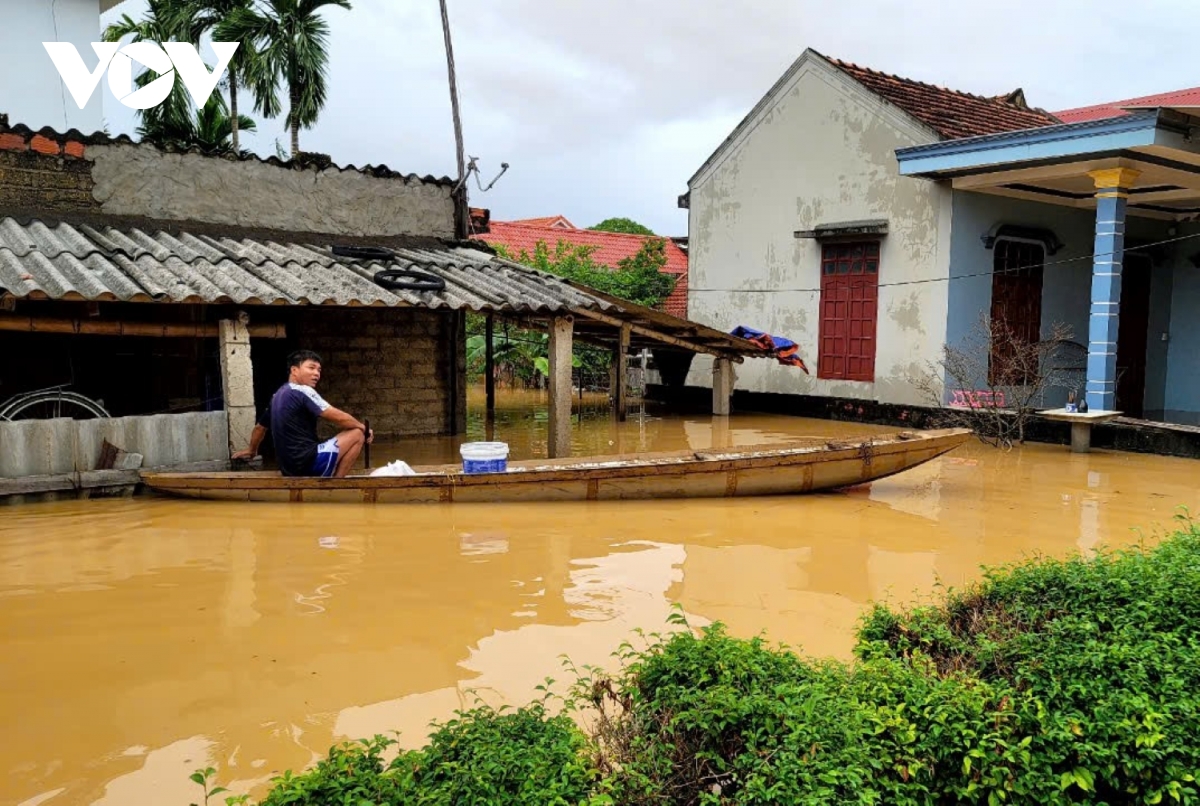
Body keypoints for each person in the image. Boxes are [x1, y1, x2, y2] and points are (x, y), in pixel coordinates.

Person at [232, 350, 373, 478]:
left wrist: (252, 450)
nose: (316, 373)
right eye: (311, 368)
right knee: (357, 433)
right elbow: (337, 417)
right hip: (308, 464)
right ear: (294, 370)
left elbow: (259, 428)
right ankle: (337, 484)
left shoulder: (277, 396)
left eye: (319, 370)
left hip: (288, 469)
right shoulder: (303, 390)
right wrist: (364, 428)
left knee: (354, 431)